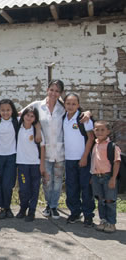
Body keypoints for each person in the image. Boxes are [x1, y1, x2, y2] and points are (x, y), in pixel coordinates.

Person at [24, 79, 91, 219]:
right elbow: (20, 114)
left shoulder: (63, 107)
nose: (54, 93)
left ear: (61, 93)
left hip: (61, 151)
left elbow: (80, 112)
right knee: (47, 181)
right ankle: (48, 204)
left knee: (58, 181)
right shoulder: (37, 105)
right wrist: (36, 127)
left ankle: (54, 206)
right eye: (52, 90)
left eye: (57, 91)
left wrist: (89, 112)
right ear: (47, 90)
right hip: (45, 151)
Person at [63, 93, 95, 226]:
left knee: (86, 188)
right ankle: (75, 212)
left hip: (82, 159)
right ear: (64, 104)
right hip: (69, 159)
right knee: (71, 188)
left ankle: (88, 215)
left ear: (78, 105)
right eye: (68, 103)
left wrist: (84, 157)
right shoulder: (63, 117)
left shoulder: (83, 118)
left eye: (74, 104)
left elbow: (91, 138)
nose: (70, 106)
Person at [16, 107, 47, 222]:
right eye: (27, 115)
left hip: (35, 164)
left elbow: (42, 148)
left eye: (32, 116)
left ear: (35, 119)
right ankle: (23, 208)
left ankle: (32, 211)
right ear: (23, 115)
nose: (29, 118)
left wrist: (42, 165)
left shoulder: (36, 130)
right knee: (24, 189)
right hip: (22, 163)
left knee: (35, 189)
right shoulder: (18, 128)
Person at [91, 120, 121, 233]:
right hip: (96, 176)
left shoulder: (112, 146)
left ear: (108, 131)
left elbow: (117, 162)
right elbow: (94, 161)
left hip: (108, 177)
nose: (99, 132)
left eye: (102, 130)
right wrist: (92, 176)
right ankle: (103, 220)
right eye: (97, 129)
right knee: (101, 200)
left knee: (110, 200)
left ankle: (111, 223)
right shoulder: (95, 145)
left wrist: (113, 178)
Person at [0, 99, 19, 219]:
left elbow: (31, 116)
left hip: (12, 156)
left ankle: (8, 207)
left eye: (8, 110)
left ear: (12, 110)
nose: (5, 112)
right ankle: (2, 208)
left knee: (8, 184)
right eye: (2, 110)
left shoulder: (17, 121)